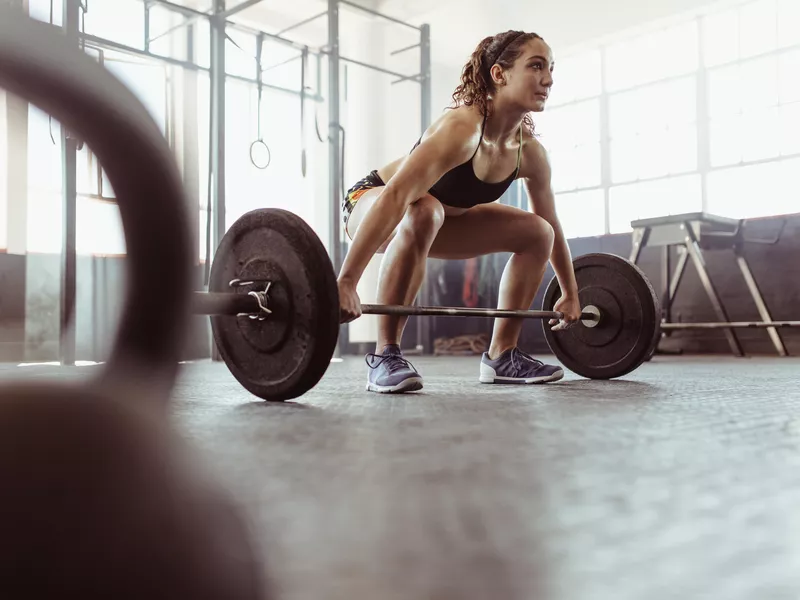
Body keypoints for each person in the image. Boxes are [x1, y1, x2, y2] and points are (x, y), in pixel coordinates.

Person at [337, 30, 582, 394]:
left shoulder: (529, 153)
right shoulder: (461, 129)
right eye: (536, 66)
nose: (548, 79)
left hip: (437, 218)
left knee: (538, 233)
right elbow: (396, 197)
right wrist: (346, 282)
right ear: (499, 74)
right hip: (372, 201)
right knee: (424, 209)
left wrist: (571, 292)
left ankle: (502, 356)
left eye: (550, 69)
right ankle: (384, 355)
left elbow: (553, 225)